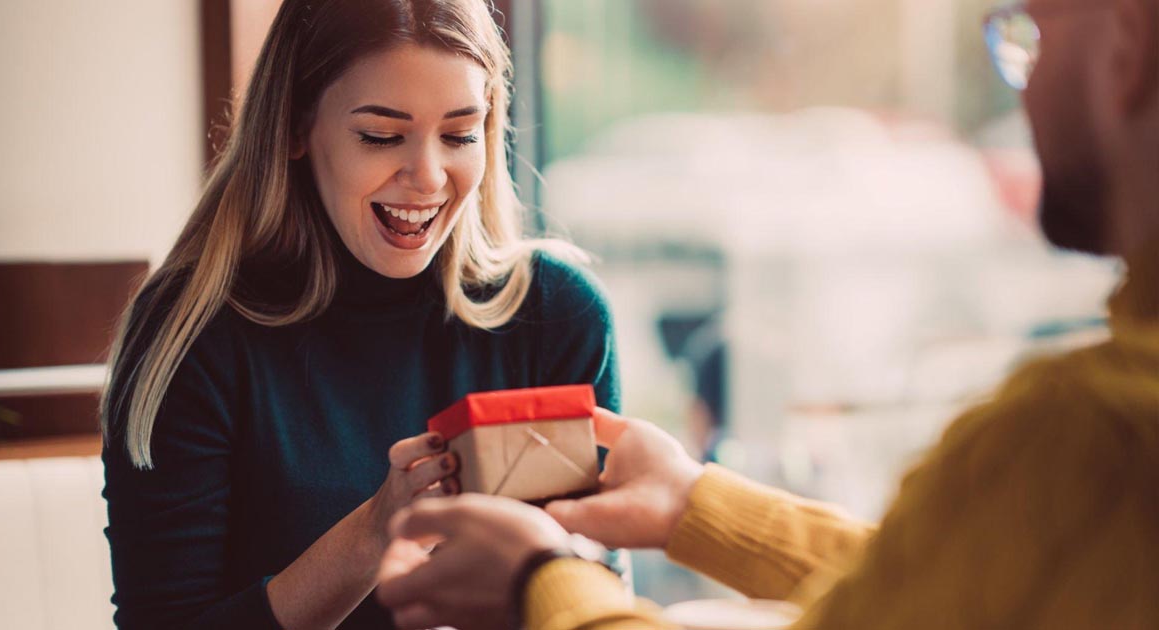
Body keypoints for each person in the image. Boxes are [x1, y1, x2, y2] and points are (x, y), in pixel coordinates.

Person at [376, 0, 1159, 628]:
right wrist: (696, 505)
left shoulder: (1092, 434)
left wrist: (541, 585)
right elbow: (946, 596)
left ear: (1123, 52)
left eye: (1027, 38)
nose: (1020, 82)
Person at [99, 1, 620, 628]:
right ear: (294, 126)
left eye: (460, 134)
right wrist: (375, 535)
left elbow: (596, 594)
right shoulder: (192, 333)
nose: (428, 178)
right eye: (381, 136)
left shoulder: (556, 316)